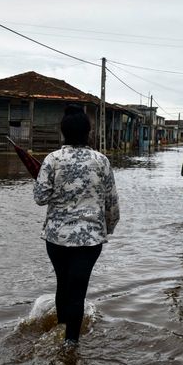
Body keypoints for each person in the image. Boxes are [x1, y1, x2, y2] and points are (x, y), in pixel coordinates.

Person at [34, 105, 120, 348]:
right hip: (89, 239)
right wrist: (107, 229)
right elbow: (111, 203)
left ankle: (61, 332)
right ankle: (71, 345)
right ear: (88, 133)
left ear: (63, 132)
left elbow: (40, 197)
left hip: (56, 237)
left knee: (63, 283)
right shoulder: (101, 161)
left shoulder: (52, 159)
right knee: (78, 290)